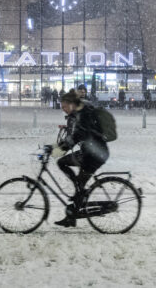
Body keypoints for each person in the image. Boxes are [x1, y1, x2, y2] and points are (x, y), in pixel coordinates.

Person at [49, 89, 108, 228]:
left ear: (71, 104)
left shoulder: (85, 113)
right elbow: (73, 134)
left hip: (96, 154)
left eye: (64, 106)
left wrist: (60, 149)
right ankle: (77, 198)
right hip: (88, 152)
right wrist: (55, 147)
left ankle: (79, 197)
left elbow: (78, 135)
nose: (63, 110)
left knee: (78, 183)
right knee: (63, 163)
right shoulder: (77, 113)